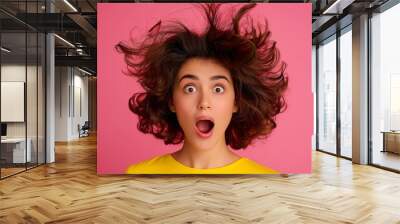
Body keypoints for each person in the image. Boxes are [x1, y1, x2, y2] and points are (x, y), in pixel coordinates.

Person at [116, 3, 288, 174]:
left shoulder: (266, 179)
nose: (204, 103)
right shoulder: (139, 174)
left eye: (218, 89)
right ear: (171, 102)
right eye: (190, 88)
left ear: (236, 102)